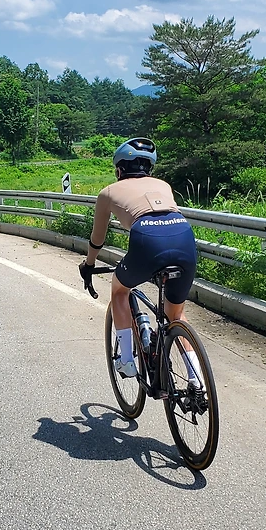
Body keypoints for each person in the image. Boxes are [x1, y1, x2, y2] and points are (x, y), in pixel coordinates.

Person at [79, 138, 201, 383]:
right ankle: (197, 378)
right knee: (175, 314)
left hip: (147, 238)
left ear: (119, 169)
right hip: (184, 235)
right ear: (149, 168)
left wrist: (89, 264)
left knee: (119, 290)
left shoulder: (108, 192)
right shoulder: (163, 185)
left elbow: (98, 239)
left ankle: (126, 359)